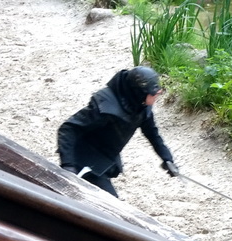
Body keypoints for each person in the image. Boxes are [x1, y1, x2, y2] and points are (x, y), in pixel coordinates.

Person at [57, 66, 179, 197]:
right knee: (109, 204)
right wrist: (68, 166)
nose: (157, 95)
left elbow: (153, 134)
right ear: (139, 92)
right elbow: (68, 128)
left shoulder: (141, 106)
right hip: (83, 160)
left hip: (104, 159)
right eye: (153, 93)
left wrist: (167, 158)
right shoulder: (105, 106)